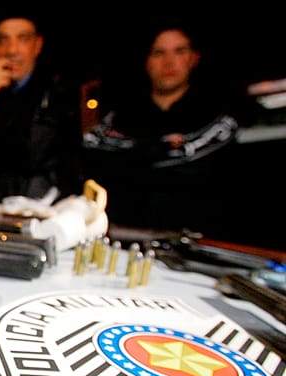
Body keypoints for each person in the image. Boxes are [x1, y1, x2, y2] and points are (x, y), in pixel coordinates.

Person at [82, 18, 242, 234]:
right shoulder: (120, 117)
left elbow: (200, 177)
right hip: (123, 238)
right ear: (147, 61)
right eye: (159, 53)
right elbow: (94, 162)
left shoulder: (217, 118)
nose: (169, 62)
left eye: (179, 51)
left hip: (194, 240)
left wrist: (136, 158)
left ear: (194, 58)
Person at [0, 10, 83, 203]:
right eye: (4, 40)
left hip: (40, 211)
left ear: (37, 45)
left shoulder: (57, 92)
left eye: (22, 39)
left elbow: (31, 156)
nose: (12, 50)